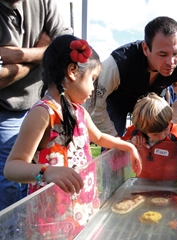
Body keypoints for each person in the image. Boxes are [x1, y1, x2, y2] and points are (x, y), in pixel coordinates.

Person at [4, 35, 142, 238]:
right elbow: (12, 167)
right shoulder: (43, 113)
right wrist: (46, 171)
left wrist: (129, 146)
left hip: (82, 214)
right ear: (72, 72)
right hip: (51, 223)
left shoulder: (79, 112)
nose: (94, 88)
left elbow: (100, 137)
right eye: (92, 79)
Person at [0, 0, 73, 211]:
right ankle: (12, 230)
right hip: (7, 108)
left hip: (44, 103)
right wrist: (42, 52)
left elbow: (66, 47)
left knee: (43, 174)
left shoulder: (44, 2)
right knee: (10, 181)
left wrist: (17, 55)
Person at [86, 16, 177, 137]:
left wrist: (165, 128)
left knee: (152, 144)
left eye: (175, 53)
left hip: (152, 106)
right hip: (116, 102)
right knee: (115, 148)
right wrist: (115, 139)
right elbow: (94, 102)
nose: (171, 62)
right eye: (163, 54)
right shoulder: (118, 63)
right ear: (145, 49)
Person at [122, 92, 177, 181]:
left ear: (170, 119)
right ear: (142, 129)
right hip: (143, 182)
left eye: (165, 129)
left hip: (171, 184)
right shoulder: (135, 132)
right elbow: (120, 145)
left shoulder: (175, 132)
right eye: (155, 134)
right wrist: (131, 141)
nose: (162, 136)